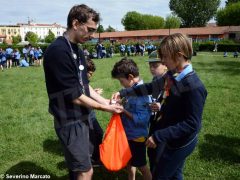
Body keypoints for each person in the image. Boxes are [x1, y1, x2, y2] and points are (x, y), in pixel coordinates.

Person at [112, 33, 207, 179]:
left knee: (160, 175)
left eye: (165, 57)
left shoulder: (194, 86)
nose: (162, 60)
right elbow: (149, 87)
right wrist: (123, 92)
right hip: (171, 136)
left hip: (180, 142)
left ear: (179, 55)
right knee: (175, 175)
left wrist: (159, 136)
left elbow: (192, 123)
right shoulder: (171, 75)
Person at [43, 4, 122, 180]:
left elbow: (84, 87)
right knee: (85, 171)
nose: (92, 35)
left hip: (82, 116)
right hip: (70, 120)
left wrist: (106, 102)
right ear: (76, 23)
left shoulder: (77, 49)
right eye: (90, 30)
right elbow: (74, 96)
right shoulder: (58, 51)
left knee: (80, 166)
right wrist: (106, 109)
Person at [111, 58, 152, 180]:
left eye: (121, 80)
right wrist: (120, 103)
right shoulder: (131, 91)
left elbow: (142, 120)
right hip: (128, 134)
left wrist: (123, 111)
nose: (121, 84)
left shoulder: (142, 95)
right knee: (129, 161)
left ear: (130, 77)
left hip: (137, 137)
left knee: (141, 165)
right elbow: (129, 104)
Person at [145, 50, 168, 172]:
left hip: (163, 123)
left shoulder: (170, 80)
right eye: (150, 66)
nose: (152, 68)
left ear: (165, 65)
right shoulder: (155, 79)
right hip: (154, 119)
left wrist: (161, 107)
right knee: (152, 154)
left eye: (155, 66)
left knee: (158, 156)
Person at [86, 58, 104, 165]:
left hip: (91, 114)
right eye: (90, 73)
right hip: (86, 115)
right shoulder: (79, 81)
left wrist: (93, 92)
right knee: (92, 137)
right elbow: (82, 99)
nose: (91, 76)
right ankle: (92, 159)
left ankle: (96, 158)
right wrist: (94, 96)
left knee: (98, 133)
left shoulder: (85, 81)